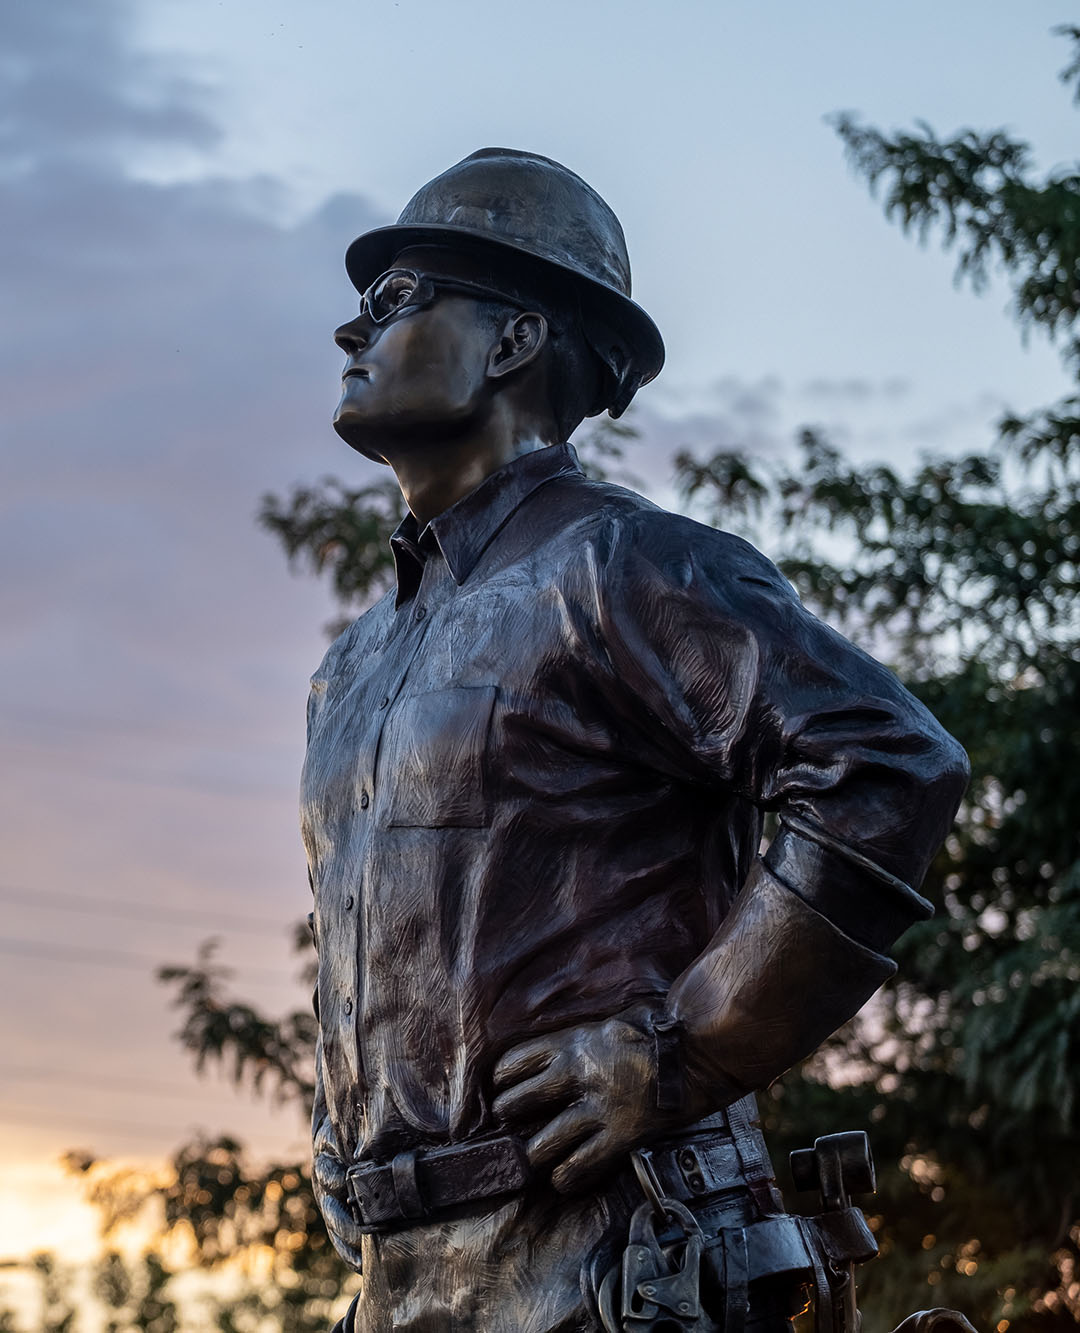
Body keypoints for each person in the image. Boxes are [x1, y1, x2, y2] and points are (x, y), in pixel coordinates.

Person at [303, 148, 971, 1332]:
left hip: (619, 1260)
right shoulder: (349, 669)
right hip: (405, 1282)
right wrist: (344, 1127)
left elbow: (883, 762)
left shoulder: (622, 565)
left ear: (512, 341)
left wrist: (681, 1048)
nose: (349, 331)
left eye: (396, 298)